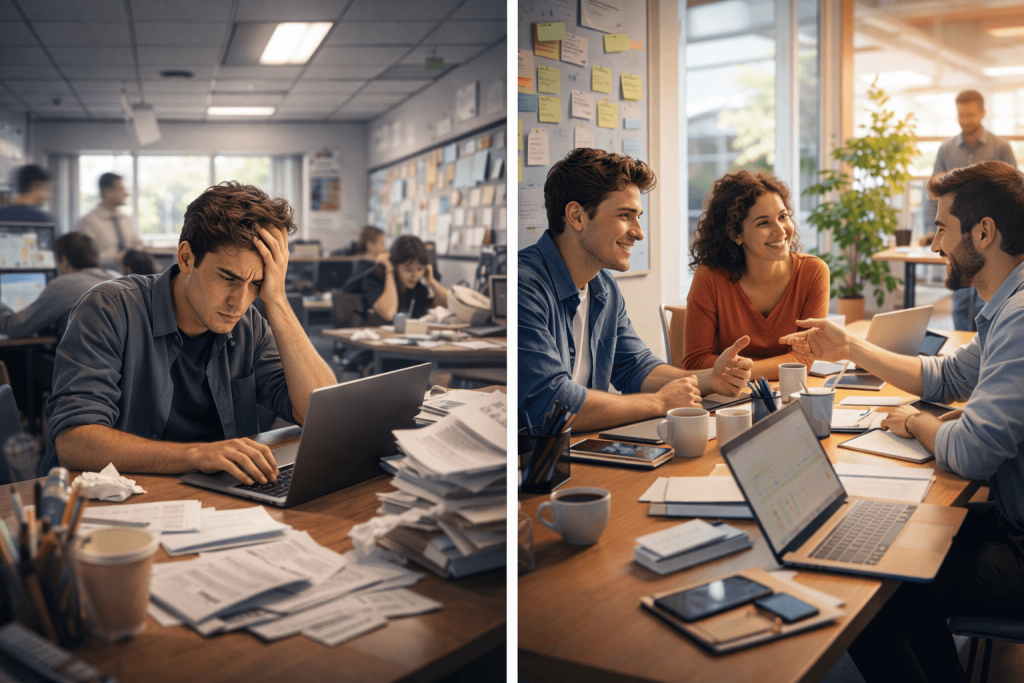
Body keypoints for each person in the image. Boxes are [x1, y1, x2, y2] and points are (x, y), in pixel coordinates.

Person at [781, 160, 1024, 683]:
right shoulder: (1009, 306)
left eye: (942, 228)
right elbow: (949, 378)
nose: (934, 244)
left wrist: (917, 424)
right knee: (901, 537)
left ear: (985, 233)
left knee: (872, 581)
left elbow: (975, 449)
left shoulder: (1020, 316)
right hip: (1013, 523)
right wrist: (850, 347)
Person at [45, 181, 337, 484]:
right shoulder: (109, 309)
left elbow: (321, 414)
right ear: (186, 258)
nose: (239, 302)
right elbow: (74, 441)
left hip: (215, 499)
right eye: (228, 277)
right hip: (114, 502)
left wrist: (276, 298)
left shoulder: (249, 323)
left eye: (256, 284)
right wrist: (197, 455)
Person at [519, 148, 754, 433]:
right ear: (577, 216)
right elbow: (550, 403)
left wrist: (709, 379)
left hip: (581, 450)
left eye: (638, 216)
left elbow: (635, 367)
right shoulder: (524, 286)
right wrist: (657, 403)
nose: (639, 232)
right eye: (625, 215)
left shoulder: (603, 287)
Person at [683, 170, 829, 380]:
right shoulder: (710, 278)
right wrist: (776, 365)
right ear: (735, 233)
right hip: (727, 401)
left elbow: (803, 360)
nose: (780, 231)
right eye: (763, 223)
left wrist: (742, 369)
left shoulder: (812, 272)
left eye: (783, 216)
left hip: (788, 395)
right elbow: (695, 363)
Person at [925, 90, 1017, 332]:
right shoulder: (946, 150)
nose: (965, 119)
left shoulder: (1001, 147)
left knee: (985, 298)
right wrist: (934, 229)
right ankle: (964, 344)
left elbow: (1016, 193)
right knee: (960, 294)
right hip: (959, 235)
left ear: (982, 113)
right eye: (961, 114)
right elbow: (935, 196)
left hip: (992, 242)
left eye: (970, 114)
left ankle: (981, 342)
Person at [0, 233, 117, 338]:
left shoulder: (64, 285)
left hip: (83, 360)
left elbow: (15, 328)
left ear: (64, 261)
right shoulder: (117, 278)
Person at [347, 234, 447, 321]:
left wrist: (432, 282)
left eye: (419, 269)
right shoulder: (374, 279)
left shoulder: (418, 288)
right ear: (395, 265)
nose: (415, 275)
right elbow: (389, 313)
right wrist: (389, 270)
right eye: (408, 269)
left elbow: (452, 305)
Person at [77, 172, 144, 270]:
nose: (126, 194)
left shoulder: (126, 219)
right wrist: (117, 258)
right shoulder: (88, 222)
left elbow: (138, 245)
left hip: (131, 277)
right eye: (121, 190)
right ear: (106, 192)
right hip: (103, 279)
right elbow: (86, 258)